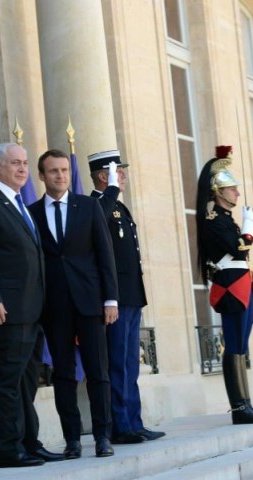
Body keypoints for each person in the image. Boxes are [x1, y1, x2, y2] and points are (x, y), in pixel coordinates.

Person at [0, 142, 63, 468]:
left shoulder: (20, 204)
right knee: (9, 380)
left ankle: (30, 443)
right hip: (6, 309)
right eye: (15, 163)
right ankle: (10, 450)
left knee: (27, 381)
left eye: (24, 163)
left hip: (31, 310)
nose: (22, 169)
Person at [28, 150, 118, 459]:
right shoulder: (32, 212)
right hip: (54, 306)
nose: (60, 176)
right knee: (64, 375)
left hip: (91, 301)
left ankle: (103, 437)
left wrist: (111, 299)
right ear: (41, 175)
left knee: (98, 372)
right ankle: (72, 440)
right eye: (53, 171)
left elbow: (105, 255)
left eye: (65, 170)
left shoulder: (89, 206)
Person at [89, 149, 165, 444]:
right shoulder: (96, 204)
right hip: (115, 298)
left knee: (131, 363)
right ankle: (120, 425)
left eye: (122, 171)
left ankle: (134, 421)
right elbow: (97, 227)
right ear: (101, 176)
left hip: (132, 295)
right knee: (118, 363)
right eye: (116, 171)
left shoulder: (120, 207)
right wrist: (110, 190)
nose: (123, 176)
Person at [195, 145, 253, 425]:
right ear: (219, 191)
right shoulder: (213, 219)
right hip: (230, 286)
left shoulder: (225, 219)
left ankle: (246, 403)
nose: (237, 193)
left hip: (241, 283)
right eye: (232, 189)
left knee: (241, 345)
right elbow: (240, 249)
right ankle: (239, 407)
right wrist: (249, 223)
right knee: (234, 345)